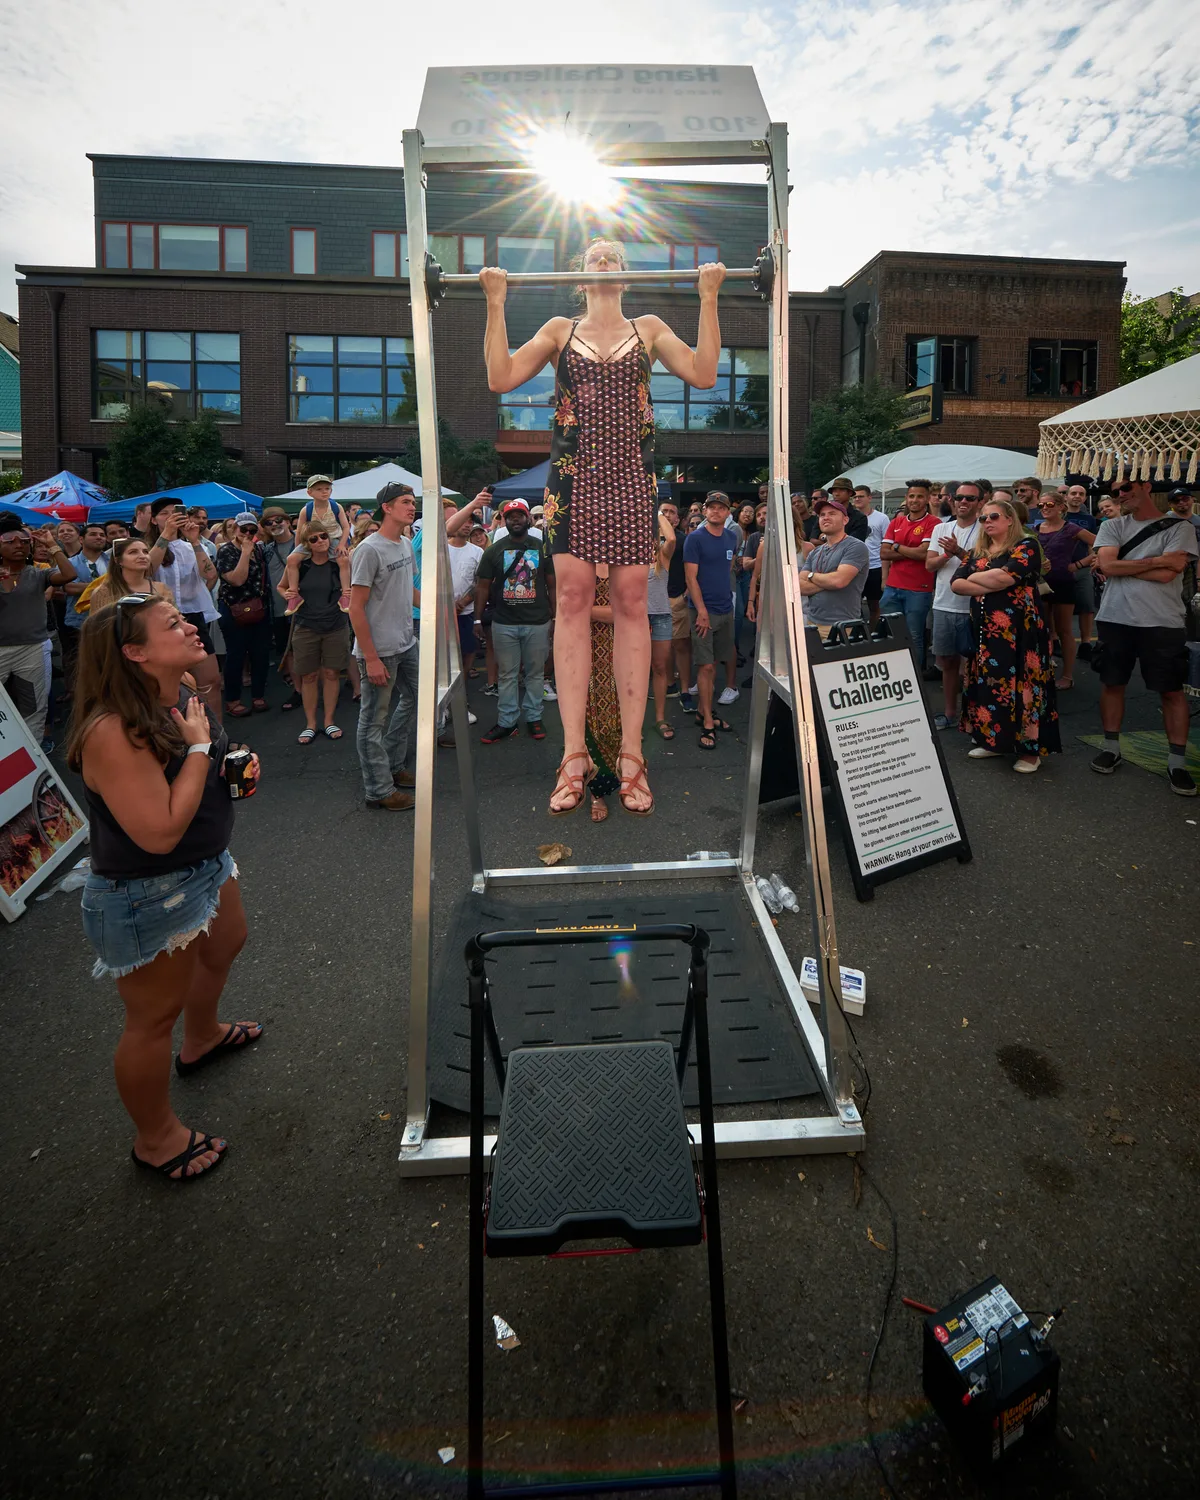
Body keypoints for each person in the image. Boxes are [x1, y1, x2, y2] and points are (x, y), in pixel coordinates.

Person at [481, 238, 726, 815]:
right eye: (596, 254)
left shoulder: (649, 326)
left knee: (632, 600)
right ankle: (572, 755)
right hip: (573, 478)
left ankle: (632, 755)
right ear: (582, 276)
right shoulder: (560, 328)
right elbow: (500, 377)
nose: (607, 258)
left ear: (626, 276)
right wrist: (495, 303)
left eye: (615, 256)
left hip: (630, 477)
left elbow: (706, 373)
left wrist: (709, 298)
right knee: (570, 597)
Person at [66, 596, 261, 1182]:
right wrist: (202, 749)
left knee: (228, 941)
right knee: (152, 1019)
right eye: (172, 624)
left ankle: (201, 1038)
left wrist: (232, 760)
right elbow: (157, 834)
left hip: (205, 865)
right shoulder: (110, 730)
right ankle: (155, 1139)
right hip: (146, 889)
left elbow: (199, 771)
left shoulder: (177, 696)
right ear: (135, 652)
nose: (192, 626)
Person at [1089, 472, 1198, 795]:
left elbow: (1171, 573)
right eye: (1116, 491)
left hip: (1162, 620)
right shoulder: (1112, 526)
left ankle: (1176, 762)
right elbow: (1108, 567)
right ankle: (1112, 747)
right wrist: (1154, 561)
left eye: (1126, 488)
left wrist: (1125, 563)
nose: (1121, 495)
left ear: (1146, 487)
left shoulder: (1181, 527)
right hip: (1115, 618)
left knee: (1170, 691)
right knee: (1112, 683)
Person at [951, 497, 1060, 772]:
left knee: (1022, 686)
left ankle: (1029, 752)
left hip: (1021, 632)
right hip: (985, 633)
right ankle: (993, 741)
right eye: (983, 518)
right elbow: (956, 584)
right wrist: (987, 576)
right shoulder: (978, 550)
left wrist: (976, 578)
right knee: (990, 685)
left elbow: (1006, 578)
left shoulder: (1026, 545)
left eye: (994, 516)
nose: (987, 522)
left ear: (1010, 519)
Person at [349, 482, 419, 811]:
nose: (412, 506)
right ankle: (378, 789)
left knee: (419, 700)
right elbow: (355, 607)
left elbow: (409, 592)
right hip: (380, 651)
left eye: (413, 501)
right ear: (386, 508)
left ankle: (392, 764)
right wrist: (371, 658)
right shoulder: (369, 549)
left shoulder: (405, 544)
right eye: (405, 501)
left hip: (406, 643)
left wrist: (441, 604)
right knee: (372, 720)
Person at [473, 499, 555, 746]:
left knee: (535, 673)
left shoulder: (542, 547)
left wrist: (555, 617)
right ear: (504, 521)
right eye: (511, 516)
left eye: (520, 515)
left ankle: (534, 717)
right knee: (507, 675)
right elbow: (483, 587)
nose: (516, 519)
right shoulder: (494, 550)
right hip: (504, 623)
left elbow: (552, 584)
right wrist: (477, 618)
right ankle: (507, 722)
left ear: (528, 519)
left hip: (537, 622)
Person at [0, 517, 79, 740]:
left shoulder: (39, 573)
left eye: (24, 541)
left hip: (31, 650)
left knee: (33, 705)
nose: (18, 545)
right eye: (9, 540)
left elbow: (69, 575)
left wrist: (52, 544)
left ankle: (33, 751)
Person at [146, 498, 222, 724]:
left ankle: (217, 734)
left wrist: (196, 541)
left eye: (175, 513)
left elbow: (210, 574)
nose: (172, 517)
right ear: (153, 519)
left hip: (193, 616)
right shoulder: (146, 547)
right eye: (164, 514)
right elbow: (147, 570)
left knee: (211, 681)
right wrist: (165, 536)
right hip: (160, 620)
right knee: (171, 684)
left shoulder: (191, 546)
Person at [280, 520, 351, 744]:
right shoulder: (300, 564)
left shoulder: (338, 562)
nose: (320, 541)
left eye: (323, 536)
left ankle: (329, 721)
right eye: (314, 539)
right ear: (306, 544)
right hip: (306, 625)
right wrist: (289, 597)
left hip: (335, 624)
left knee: (331, 674)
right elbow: (281, 587)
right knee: (309, 676)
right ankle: (311, 723)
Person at [926, 482, 983, 728]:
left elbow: (985, 566)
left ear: (980, 502)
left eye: (970, 499)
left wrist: (958, 551)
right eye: (959, 497)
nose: (963, 502)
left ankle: (976, 716)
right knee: (947, 662)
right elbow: (929, 565)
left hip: (974, 605)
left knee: (977, 665)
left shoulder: (987, 529)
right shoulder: (942, 528)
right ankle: (950, 713)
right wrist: (948, 554)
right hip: (944, 605)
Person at [685, 491, 738, 751]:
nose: (716, 511)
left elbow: (727, 568)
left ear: (728, 513)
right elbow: (691, 579)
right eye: (711, 507)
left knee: (714, 664)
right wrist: (702, 610)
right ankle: (707, 720)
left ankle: (703, 710)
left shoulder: (731, 536)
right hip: (702, 612)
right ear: (704, 511)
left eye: (721, 508)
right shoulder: (694, 539)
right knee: (705, 667)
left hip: (726, 609)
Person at [1034, 490, 1095, 690]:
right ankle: (1044, 670)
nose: (1044, 508)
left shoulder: (1071, 528)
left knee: (1064, 631)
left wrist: (1079, 564)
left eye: (1049, 505)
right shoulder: (1035, 529)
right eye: (1041, 505)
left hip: (1063, 583)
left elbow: (1100, 542)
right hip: (1040, 585)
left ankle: (1068, 675)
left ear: (1061, 507)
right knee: (1041, 630)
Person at [216, 512, 273, 718]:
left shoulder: (258, 549)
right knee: (236, 656)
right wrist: (245, 554)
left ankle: (258, 695)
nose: (248, 534)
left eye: (252, 530)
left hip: (258, 608)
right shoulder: (226, 551)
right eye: (243, 529)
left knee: (260, 654)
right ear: (235, 529)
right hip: (233, 609)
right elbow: (237, 580)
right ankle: (233, 700)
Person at [880, 479, 939, 666]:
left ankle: (916, 677)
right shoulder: (896, 521)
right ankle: (895, 672)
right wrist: (909, 551)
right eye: (911, 496)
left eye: (920, 496)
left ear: (928, 499)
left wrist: (896, 546)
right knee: (891, 634)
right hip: (892, 587)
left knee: (914, 635)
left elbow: (924, 554)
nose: (915, 500)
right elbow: (883, 552)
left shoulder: (934, 523)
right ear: (906, 498)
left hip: (918, 589)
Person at [797, 496, 871, 630]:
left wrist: (811, 576)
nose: (826, 517)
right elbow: (799, 587)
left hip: (842, 626)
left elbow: (838, 581)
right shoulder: (815, 552)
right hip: (812, 623)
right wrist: (829, 581)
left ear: (845, 520)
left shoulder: (855, 547)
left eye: (832, 514)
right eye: (822, 515)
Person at [59, 521, 110, 685]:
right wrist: (105, 585)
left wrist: (85, 587)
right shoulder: (71, 563)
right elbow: (68, 587)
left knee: (107, 664)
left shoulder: (114, 562)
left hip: (109, 618)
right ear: (81, 539)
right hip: (79, 621)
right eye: (94, 534)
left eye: (102, 535)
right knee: (82, 666)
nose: (99, 537)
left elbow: (122, 584)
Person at [77, 536, 174, 616]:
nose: (142, 556)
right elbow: (97, 630)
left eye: (145, 552)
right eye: (133, 552)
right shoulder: (104, 592)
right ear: (118, 560)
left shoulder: (162, 588)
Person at [661, 501, 695, 711]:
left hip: (676, 599)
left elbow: (693, 571)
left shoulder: (684, 541)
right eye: (663, 510)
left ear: (677, 519)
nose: (667, 514)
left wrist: (685, 596)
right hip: (651, 602)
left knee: (681, 646)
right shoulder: (645, 538)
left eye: (671, 512)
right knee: (661, 649)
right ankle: (669, 684)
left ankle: (684, 690)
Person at [648, 507, 677, 740]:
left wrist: (655, 510)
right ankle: (631, 723)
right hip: (635, 618)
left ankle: (660, 717)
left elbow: (672, 537)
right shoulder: (628, 555)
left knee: (660, 669)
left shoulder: (662, 555)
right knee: (633, 672)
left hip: (660, 617)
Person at [853, 485, 890, 622]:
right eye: (855, 496)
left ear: (869, 498)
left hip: (875, 566)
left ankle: (873, 634)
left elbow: (886, 543)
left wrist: (885, 575)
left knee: (875, 605)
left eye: (861, 496)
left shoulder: (882, 518)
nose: (857, 499)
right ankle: (858, 635)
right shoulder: (849, 518)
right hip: (854, 566)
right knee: (853, 604)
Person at [298, 475, 350, 555]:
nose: (324, 492)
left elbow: (346, 527)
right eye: (319, 489)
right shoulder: (306, 510)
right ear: (309, 492)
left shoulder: (336, 507)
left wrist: (341, 544)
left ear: (331, 490)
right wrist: (297, 548)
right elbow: (299, 532)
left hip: (334, 539)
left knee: (342, 559)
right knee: (292, 559)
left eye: (327, 488)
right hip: (313, 541)